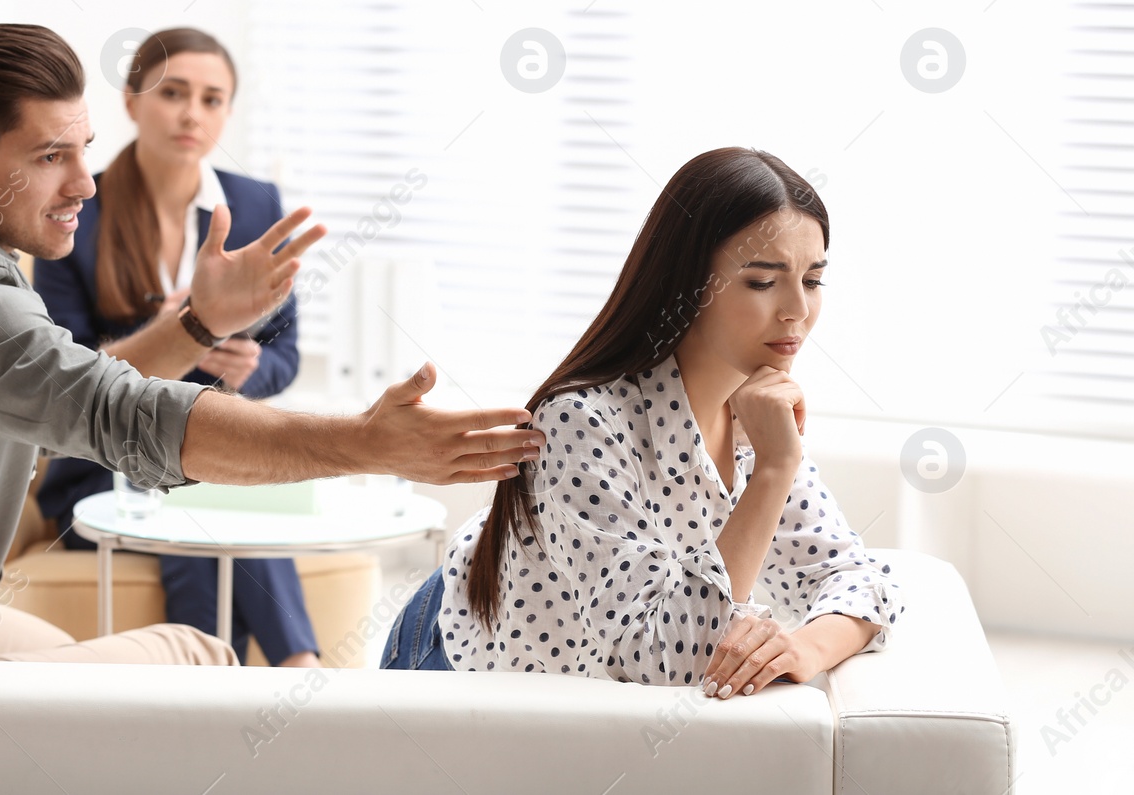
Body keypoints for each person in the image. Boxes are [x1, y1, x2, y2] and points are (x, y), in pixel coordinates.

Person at [0, 22, 540, 666]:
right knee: (199, 652)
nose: (82, 183)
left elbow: (67, 387)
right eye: (49, 157)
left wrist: (196, 324)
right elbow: (126, 414)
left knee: (90, 672)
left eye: (81, 149)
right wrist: (365, 442)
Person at [381, 147, 904, 699]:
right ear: (687, 283)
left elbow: (865, 581)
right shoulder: (582, 421)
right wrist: (776, 469)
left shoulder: (755, 411)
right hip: (455, 652)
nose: (797, 309)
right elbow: (663, 662)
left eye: (814, 279)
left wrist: (803, 648)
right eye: (760, 282)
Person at [32, 27, 320, 667]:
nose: (193, 113)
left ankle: (220, 686)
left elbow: (285, 351)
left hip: (209, 457)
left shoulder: (252, 204)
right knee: (209, 496)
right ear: (132, 102)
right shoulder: (77, 206)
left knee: (209, 498)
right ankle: (298, 667)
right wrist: (172, 338)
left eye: (213, 99)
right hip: (102, 467)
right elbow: (60, 368)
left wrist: (250, 368)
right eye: (173, 93)